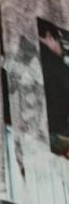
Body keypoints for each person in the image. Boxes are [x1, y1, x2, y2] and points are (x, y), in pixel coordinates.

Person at [39, 20, 69, 150]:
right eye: (60, 43)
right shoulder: (55, 62)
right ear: (49, 36)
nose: (61, 49)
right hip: (57, 134)